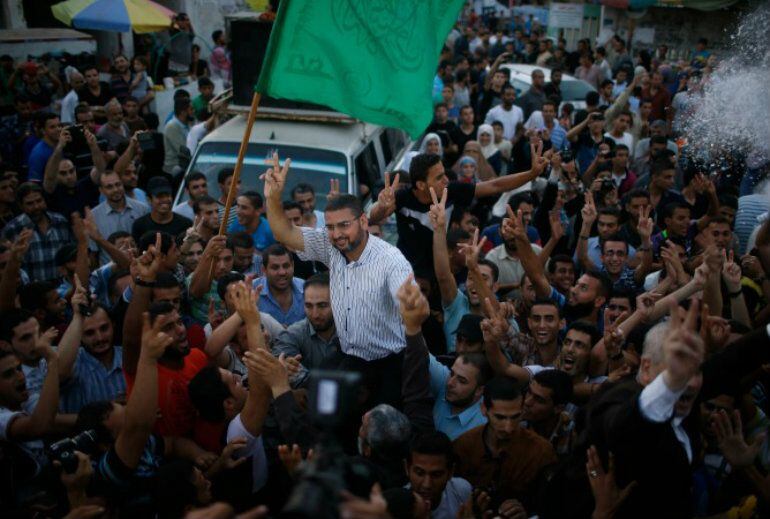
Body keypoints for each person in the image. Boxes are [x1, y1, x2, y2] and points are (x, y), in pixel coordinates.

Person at [263, 153, 413, 407]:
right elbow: (284, 233)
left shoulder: (391, 260)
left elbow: (411, 312)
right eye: (331, 227)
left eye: (344, 225)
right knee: (327, 415)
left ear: (363, 221)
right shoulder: (329, 244)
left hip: (389, 363)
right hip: (347, 356)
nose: (336, 234)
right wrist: (272, 197)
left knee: (381, 427)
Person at [370, 146, 546, 272]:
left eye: (445, 173)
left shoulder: (453, 190)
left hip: (447, 269)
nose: (446, 180)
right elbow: (374, 217)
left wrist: (531, 174)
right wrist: (381, 207)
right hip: (409, 271)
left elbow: (495, 185)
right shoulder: (402, 198)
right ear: (421, 184)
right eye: (439, 177)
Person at [453, 376, 557, 515]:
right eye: (500, 417)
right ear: (484, 409)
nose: (508, 428)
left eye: (515, 417)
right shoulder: (463, 446)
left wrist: (527, 513)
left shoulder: (541, 453)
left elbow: (552, 506)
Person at [272, 272, 340, 387]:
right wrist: (285, 368)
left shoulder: (353, 333)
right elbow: (279, 365)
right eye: (309, 306)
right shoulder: (292, 334)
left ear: (338, 303)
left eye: (322, 306)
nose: (315, 314)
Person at [2, 182, 73, 281]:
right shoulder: (13, 229)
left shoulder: (61, 222)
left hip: (63, 290)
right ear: (21, 206)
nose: (36, 206)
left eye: (39, 201)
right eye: (30, 203)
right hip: (31, 292)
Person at [406, 431, 473, 518]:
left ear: (450, 472)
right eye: (420, 473)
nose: (427, 485)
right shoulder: (398, 509)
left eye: (436, 475)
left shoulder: (461, 491)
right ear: (407, 468)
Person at [90, 171, 149, 264]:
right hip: (110, 272)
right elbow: (94, 253)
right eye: (109, 187)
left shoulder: (142, 209)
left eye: (118, 184)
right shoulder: (94, 216)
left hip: (140, 267)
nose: (115, 189)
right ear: (101, 190)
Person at [254, 244, 305, 327]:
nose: (282, 272)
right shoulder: (251, 291)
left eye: (286, 266)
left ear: (293, 265)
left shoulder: (306, 289)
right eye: (275, 267)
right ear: (264, 270)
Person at [131, 177, 192, 243]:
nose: (165, 199)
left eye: (168, 195)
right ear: (149, 199)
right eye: (160, 196)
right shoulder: (140, 226)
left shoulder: (185, 224)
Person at [27, 113, 62, 183]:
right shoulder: (38, 154)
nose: (58, 129)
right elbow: (34, 182)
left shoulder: (63, 145)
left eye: (59, 125)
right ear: (43, 131)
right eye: (52, 127)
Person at [163, 97, 194, 176]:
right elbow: (184, 151)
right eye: (191, 109)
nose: (193, 112)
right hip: (174, 168)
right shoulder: (172, 127)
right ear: (183, 112)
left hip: (186, 164)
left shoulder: (187, 124)